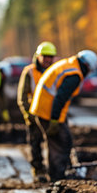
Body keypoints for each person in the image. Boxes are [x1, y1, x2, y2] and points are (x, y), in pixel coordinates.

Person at [29, 50, 97, 182]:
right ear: (87, 66)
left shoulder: (69, 64)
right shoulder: (74, 74)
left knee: (55, 142)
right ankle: (58, 178)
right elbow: (60, 98)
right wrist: (55, 119)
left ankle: (55, 175)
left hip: (42, 108)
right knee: (62, 142)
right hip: (48, 111)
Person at [17, 41, 57, 181]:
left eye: (50, 57)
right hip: (34, 114)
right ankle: (38, 170)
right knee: (35, 144)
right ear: (38, 56)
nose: (48, 59)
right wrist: (28, 115)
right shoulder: (29, 71)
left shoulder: (55, 72)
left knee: (54, 144)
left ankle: (54, 171)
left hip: (51, 114)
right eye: (45, 56)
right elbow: (22, 96)